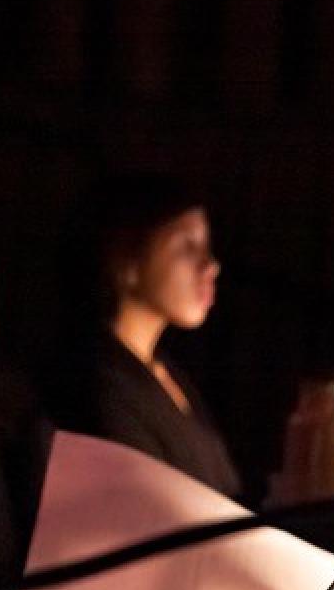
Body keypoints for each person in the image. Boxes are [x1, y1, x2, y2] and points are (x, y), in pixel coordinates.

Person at [48, 172, 240, 497]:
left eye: (207, 247)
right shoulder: (99, 381)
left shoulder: (166, 372)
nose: (210, 265)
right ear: (127, 260)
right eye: (187, 247)